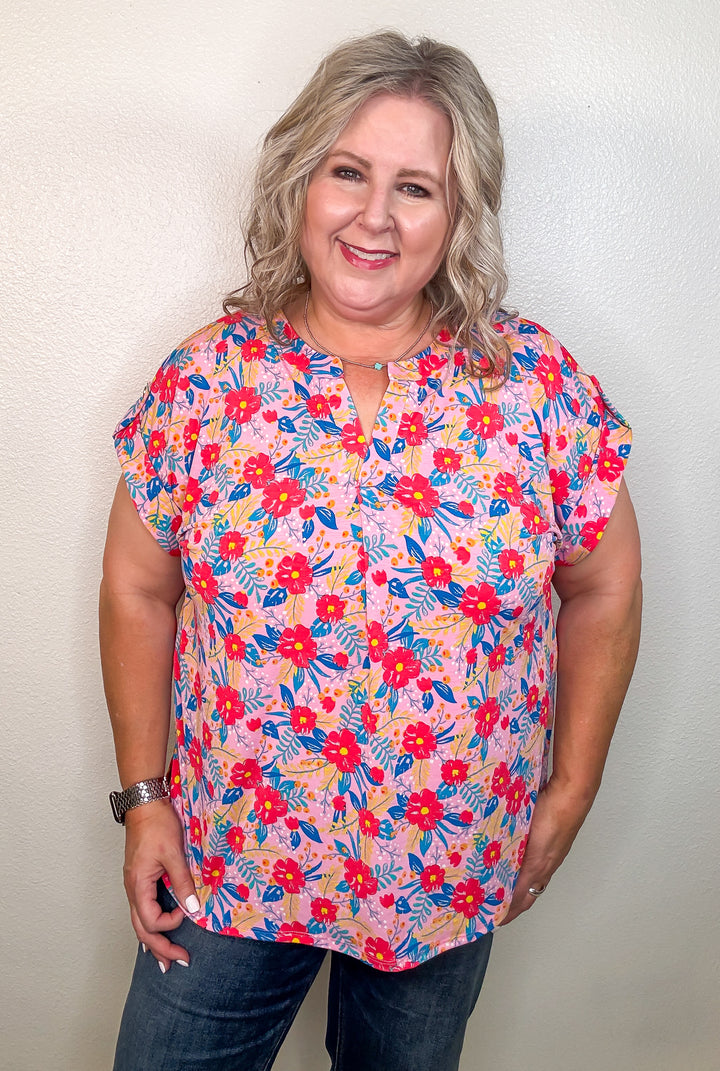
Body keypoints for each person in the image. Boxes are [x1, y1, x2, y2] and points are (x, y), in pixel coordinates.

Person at [100, 29, 642, 1071]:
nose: (375, 219)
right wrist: (143, 798)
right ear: (303, 179)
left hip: (444, 865)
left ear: (461, 213)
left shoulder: (532, 389)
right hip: (232, 851)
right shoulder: (207, 383)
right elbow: (137, 585)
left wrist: (573, 785)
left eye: (417, 188)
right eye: (348, 172)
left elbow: (605, 583)